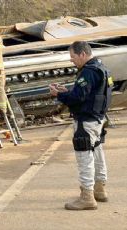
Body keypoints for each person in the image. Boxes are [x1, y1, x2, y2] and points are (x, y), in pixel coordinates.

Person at [49, 41, 112, 210]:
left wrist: (59, 95)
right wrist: (67, 91)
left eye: (73, 57)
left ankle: (87, 197)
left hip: (86, 121)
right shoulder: (101, 68)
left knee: (84, 157)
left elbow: (78, 98)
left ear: (82, 54)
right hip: (98, 119)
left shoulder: (88, 72)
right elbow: (89, 94)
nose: (72, 60)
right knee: (97, 152)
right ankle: (100, 189)